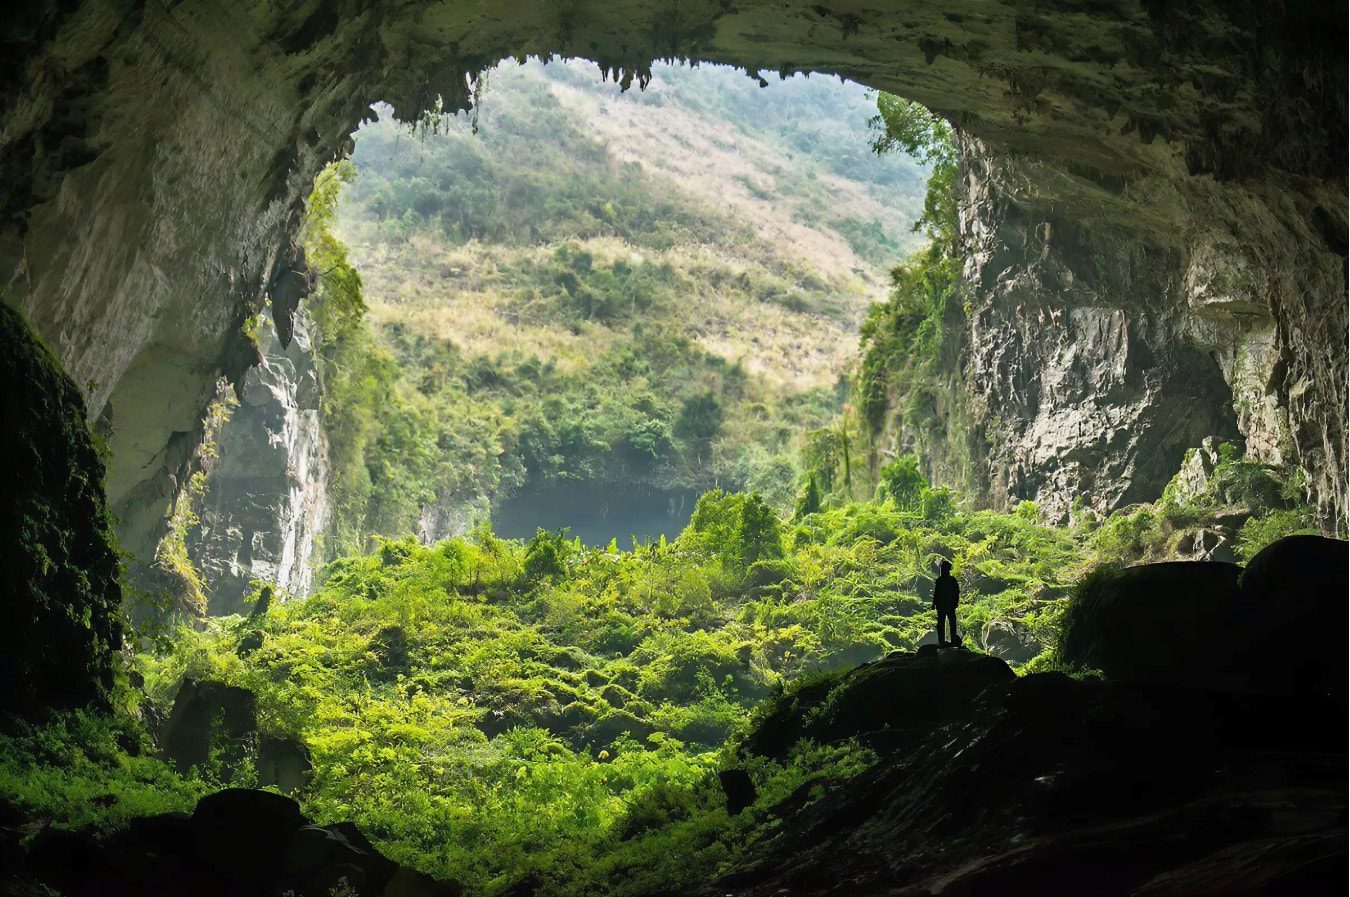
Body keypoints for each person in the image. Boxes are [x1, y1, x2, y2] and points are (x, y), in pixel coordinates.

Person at [933, 560, 960, 647]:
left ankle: (943, 641)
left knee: (943, 623)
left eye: (942, 568)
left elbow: (936, 593)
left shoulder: (940, 580)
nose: (941, 570)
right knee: (950, 623)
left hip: (943, 605)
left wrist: (934, 603)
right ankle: (951, 641)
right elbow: (956, 592)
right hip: (948, 605)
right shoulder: (951, 580)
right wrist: (955, 602)